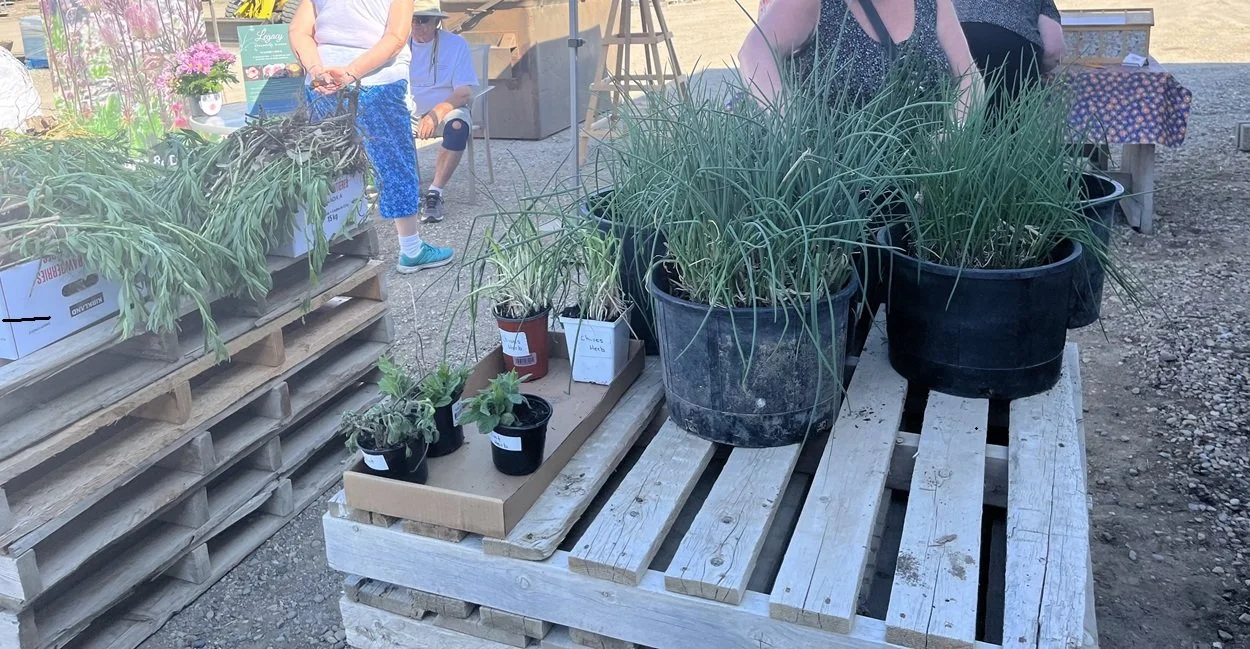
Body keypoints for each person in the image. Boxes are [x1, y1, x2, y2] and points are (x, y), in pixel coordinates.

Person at [289, 0, 454, 274]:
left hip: (322, 87)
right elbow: (396, 37)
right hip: (377, 83)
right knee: (394, 164)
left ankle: (329, 255)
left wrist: (316, 70)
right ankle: (411, 249)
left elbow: (298, 30)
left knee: (328, 168)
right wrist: (350, 73)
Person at [737, 0, 982, 116]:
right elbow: (754, 52)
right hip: (842, 195)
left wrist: (953, 132)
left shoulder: (933, 2)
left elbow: (970, 78)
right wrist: (789, 125)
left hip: (927, 185)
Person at [407, 0, 480, 223]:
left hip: (447, 107)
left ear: (437, 21)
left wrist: (434, 114)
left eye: (423, 20)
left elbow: (464, 93)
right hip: (408, 109)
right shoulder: (397, 45)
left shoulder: (456, 44)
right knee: (380, 127)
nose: (417, 25)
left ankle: (435, 192)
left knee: (457, 127)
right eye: (412, 20)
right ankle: (403, 189)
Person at [954, 0, 1065, 111]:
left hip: (958, 40)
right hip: (1014, 52)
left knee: (950, 121)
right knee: (1006, 124)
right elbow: (1053, 51)